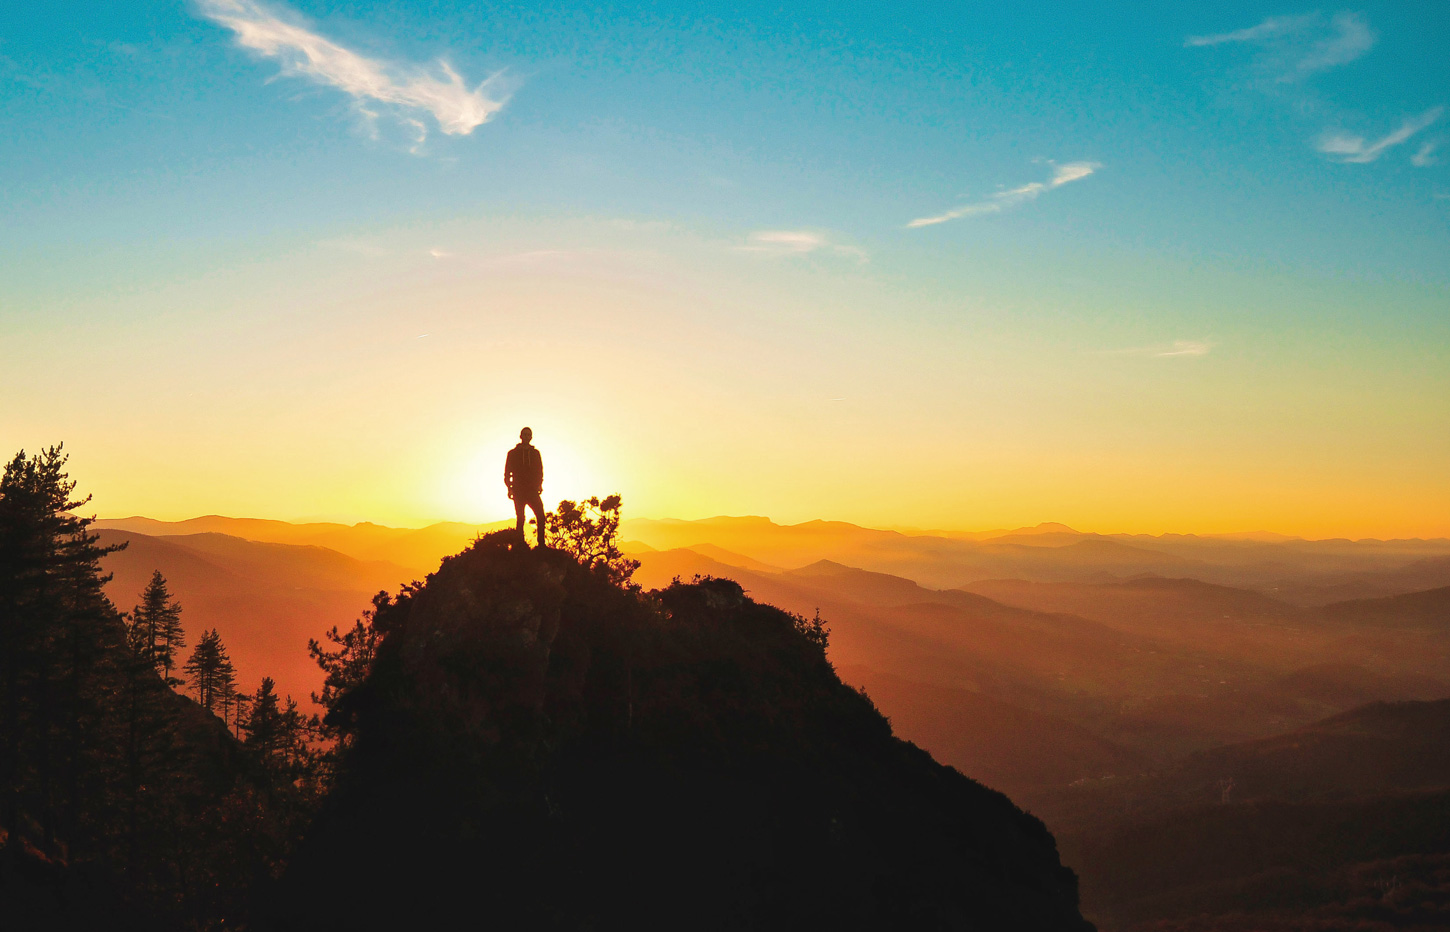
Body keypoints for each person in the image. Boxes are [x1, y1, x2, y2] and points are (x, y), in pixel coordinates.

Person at [504, 427, 546, 547]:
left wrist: (539, 484)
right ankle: (520, 543)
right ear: (521, 436)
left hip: (532, 490)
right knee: (520, 517)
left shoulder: (535, 453)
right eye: (525, 435)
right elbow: (507, 472)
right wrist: (509, 487)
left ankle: (541, 544)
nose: (527, 437)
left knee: (541, 516)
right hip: (518, 490)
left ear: (531, 437)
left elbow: (540, 470)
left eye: (529, 435)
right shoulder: (512, 453)